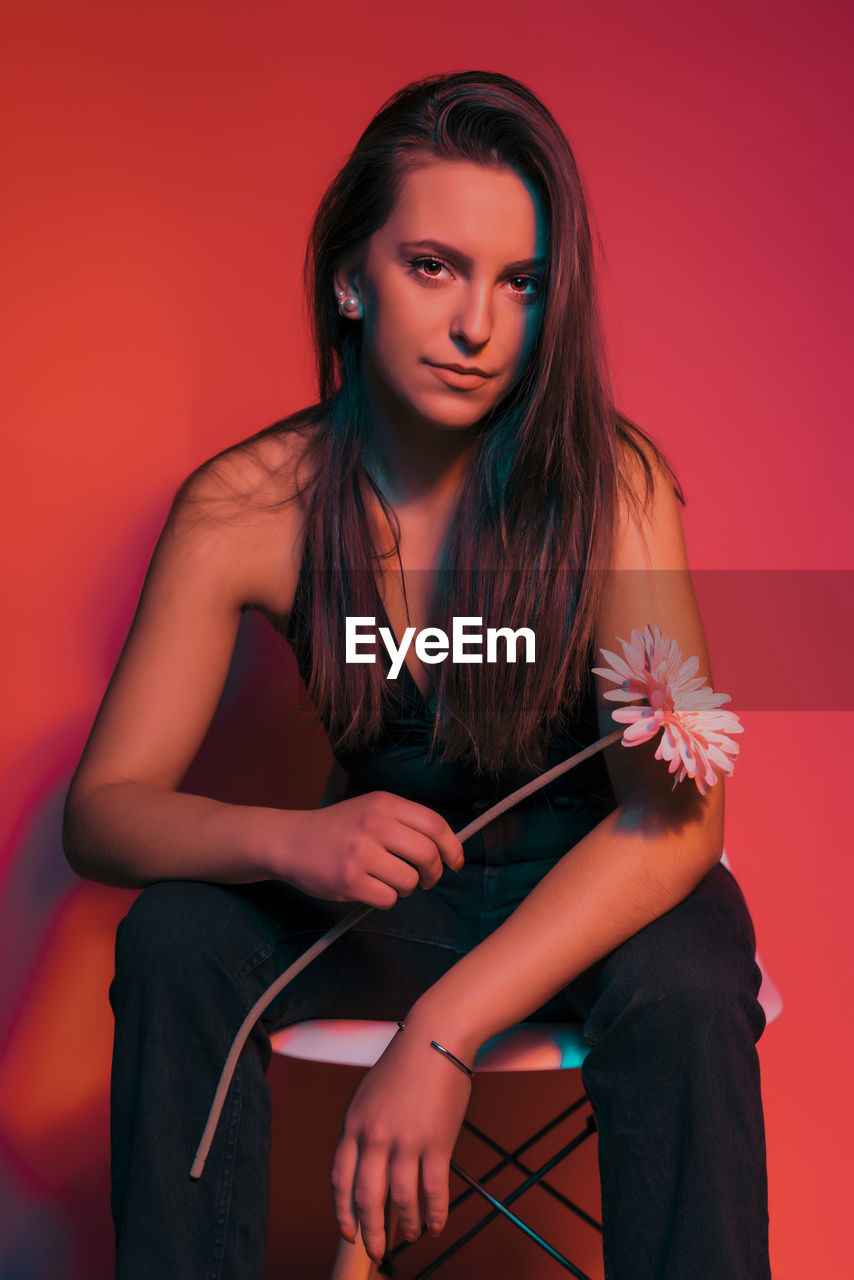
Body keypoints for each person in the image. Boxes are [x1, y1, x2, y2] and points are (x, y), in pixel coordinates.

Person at [62, 70, 770, 1280]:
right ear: (351, 277)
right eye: (433, 266)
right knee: (175, 940)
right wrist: (297, 842)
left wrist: (440, 1035)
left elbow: (677, 816)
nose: (477, 328)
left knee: (692, 980)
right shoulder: (246, 508)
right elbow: (102, 811)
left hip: (585, 893)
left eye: (520, 283)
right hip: (382, 894)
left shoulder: (611, 485)